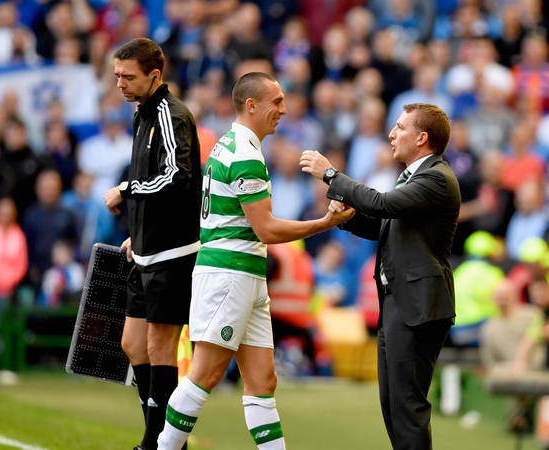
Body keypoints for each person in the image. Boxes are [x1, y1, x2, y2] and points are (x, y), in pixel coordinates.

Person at [156, 72, 354, 450]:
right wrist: (325, 223)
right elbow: (266, 229)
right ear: (252, 105)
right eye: (276, 102)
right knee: (205, 374)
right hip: (230, 275)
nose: (284, 109)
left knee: (263, 381)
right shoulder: (245, 155)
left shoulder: (228, 145)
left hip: (245, 274)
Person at [300, 102, 461, 450]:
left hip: (417, 306)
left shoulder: (436, 178)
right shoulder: (415, 177)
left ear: (422, 138)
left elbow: (384, 204)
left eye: (400, 127)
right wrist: (350, 216)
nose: (391, 134)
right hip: (399, 303)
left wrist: (332, 176)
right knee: (392, 404)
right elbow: (383, 224)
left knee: (407, 407)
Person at [102, 38, 202, 450]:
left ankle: (156, 444)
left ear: (155, 76)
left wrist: (125, 189)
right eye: (116, 76)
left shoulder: (169, 113)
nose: (120, 84)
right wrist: (137, 231)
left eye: (128, 77)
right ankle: (162, 438)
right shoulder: (142, 113)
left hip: (173, 254)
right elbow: (157, 185)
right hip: (146, 249)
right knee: (132, 344)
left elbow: (177, 175)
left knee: (160, 346)